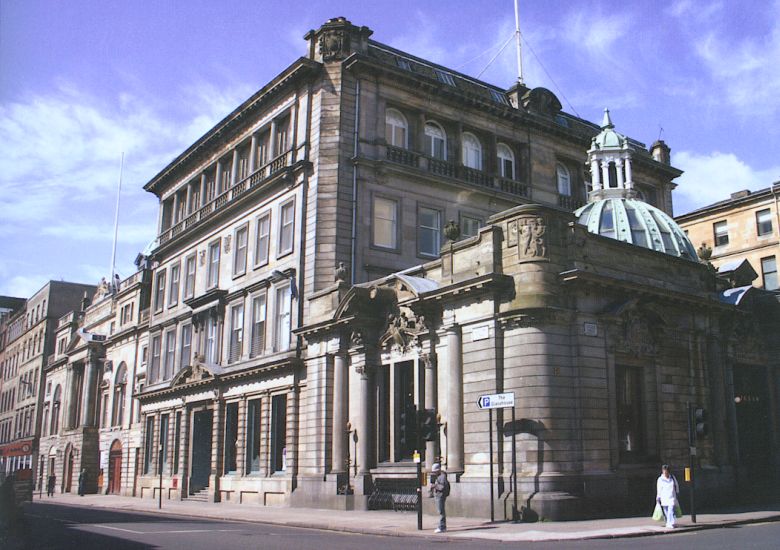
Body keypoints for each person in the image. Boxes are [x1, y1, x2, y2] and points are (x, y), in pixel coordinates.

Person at [428, 462, 450, 533]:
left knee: (441, 511)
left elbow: (442, 487)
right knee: (440, 511)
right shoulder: (437, 476)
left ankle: (442, 527)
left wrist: (435, 486)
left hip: (440, 495)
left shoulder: (442, 477)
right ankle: (442, 526)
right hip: (438, 495)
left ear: (438, 470)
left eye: (435, 471)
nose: (434, 473)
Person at [656, 464, 679, 528]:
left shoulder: (672, 478)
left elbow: (676, 485)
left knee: (671, 510)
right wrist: (658, 497)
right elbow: (659, 489)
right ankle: (668, 522)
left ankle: (671, 523)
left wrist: (677, 492)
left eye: (666, 471)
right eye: (664, 471)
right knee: (666, 511)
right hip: (664, 497)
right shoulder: (660, 479)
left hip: (672, 497)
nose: (665, 473)